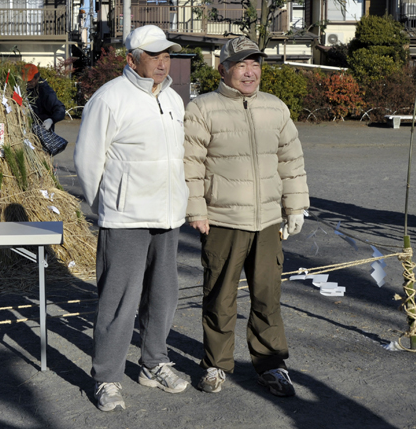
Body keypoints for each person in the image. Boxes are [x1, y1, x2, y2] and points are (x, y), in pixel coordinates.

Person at [184, 36, 309, 397]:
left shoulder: (275, 108)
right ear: (223, 69)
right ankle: (216, 364)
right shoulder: (202, 108)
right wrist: (196, 209)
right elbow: (190, 165)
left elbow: (291, 160)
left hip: (269, 220)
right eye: (241, 64)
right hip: (222, 219)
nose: (250, 72)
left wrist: (295, 206)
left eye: (255, 64)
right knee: (220, 297)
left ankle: (272, 365)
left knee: (268, 296)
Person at [74, 24, 190, 412]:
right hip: (125, 219)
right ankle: (106, 377)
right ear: (131, 59)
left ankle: (154, 362)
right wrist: (109, 206)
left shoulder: (173, 99)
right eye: (154, 55)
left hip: (168, 216)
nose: (162, 62)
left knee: (163, 297)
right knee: (118, 302)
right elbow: (88, 162)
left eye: (166, 54)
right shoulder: (109, 99)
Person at [22, 63, 66, 131]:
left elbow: (60, 109)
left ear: (37, 78)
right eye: (26, 81)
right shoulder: (26, 89)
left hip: (43, 130)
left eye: (30, 81)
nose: (28, 83)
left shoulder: (45, 91)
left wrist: (51, 120)